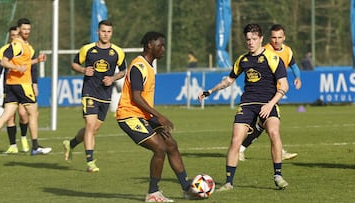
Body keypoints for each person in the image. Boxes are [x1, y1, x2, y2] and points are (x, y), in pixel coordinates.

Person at [199, 24, 289, 190]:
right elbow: (229, 80)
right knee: (235, 140)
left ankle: (278, 175)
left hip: (267, 103)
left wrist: (270, 104)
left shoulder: (273, 58)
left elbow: (284, 85)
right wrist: (210, 91)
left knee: (274, 132)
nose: (251, 42)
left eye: (254, 39)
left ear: (261, 39)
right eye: (248, 39)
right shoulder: (243, 60)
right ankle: (228, 183)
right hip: (247, 104)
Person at [116, 31, 197, 202]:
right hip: (129, 115)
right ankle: (153, 193)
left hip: (143, 115)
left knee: (171, 145)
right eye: (160, 45)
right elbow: (136, 97)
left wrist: (154, 116)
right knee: (159, 148)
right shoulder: (138, 66)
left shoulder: (149, 66)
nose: (163, 49)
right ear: (149, 46)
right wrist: (158, 116)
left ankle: (186, 188)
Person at [62, 20, 126, 172]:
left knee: (93, 129)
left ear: (112, 33)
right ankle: (90, 162)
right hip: (89, 92)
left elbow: (123, 70)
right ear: (98, 32)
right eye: (103, 31)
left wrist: (112, 78)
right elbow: (74, 63)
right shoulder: (88, 49)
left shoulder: (118, 51)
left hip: (105, 94)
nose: (106, 34)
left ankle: (70, 144)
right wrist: (83, 70)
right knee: (90, 126)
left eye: (109, 31)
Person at [239, 24, 301, 161]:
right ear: (269, 38)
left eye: (279, 37)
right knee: (268, 124)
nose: (276, 40)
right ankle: (279, 152)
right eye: (274, 37)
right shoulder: (265, 51)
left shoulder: (288, 51)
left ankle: (241, 148)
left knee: (264, 124)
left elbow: (294, 65)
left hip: (279, 91)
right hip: (267, 93)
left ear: (284, 38)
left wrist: (298, 78)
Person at [0, 18, 51, 155]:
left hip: (11, 85)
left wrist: (37, 60)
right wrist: (16, 67)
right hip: (22, 85)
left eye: (28, 29)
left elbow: (24, 63)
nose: (26, 31)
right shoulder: (17, 45)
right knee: (33, 113)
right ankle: (35, 147)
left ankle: (33, 146)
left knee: (5, 116)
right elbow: (3, 62)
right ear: (19, 30)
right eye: (24, 29)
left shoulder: (27, 46)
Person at [0, 26, 34, 154]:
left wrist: (35, 84)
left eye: (16, 35)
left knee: (23, 114)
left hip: (23, 85)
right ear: (9, 36)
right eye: (12, 35)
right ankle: (13, 145)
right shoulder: (5, 50)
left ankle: (23, 138)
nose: (14, 37)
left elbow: (30, 66)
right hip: (10, 85)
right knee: (10, 116)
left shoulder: (24, 48)